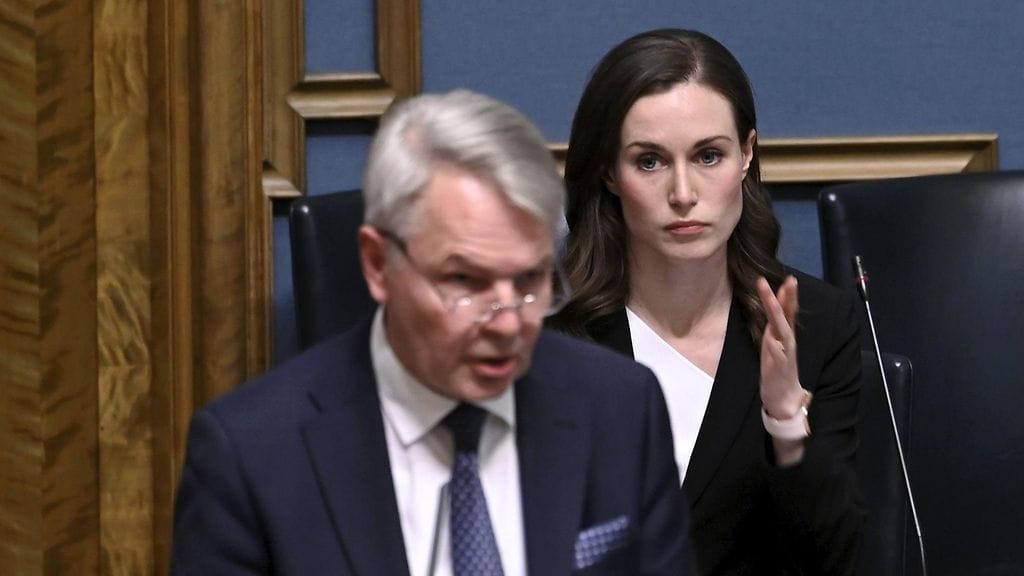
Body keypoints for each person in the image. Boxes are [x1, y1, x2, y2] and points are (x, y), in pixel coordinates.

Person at [171, 89, 694, 575]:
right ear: (378, 264)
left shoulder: (622, 409)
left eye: (530, 280)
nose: (508, 323)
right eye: (465, 282)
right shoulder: (249, 455)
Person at [551, 29, 864, 575]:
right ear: (609, 172)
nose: (683, 194)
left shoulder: (818, 324)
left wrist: (786, 421)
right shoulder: (550, 331)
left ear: (746, 155)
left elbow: (839, 562)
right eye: (650, 161)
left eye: (708, 156)